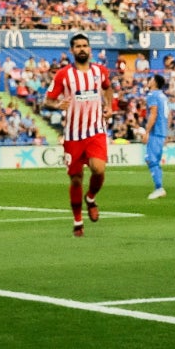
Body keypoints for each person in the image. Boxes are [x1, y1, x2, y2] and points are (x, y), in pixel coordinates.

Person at [44, 33, 113, 236]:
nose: (82, 49)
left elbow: (108, 88)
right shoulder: (63, 75)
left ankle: (90, 198)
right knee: (75, 179)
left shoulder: (100, 71)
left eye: (85, 45)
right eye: (78, 46)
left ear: (90, 49)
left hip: (96, 131)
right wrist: (57, 104)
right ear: (72, 51)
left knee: (98, 169)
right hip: (73, 135)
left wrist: (108, 106)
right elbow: (47, 100)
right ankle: (77, 220)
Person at [144, 73, 170, 198]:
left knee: (151, 159)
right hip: (162, 131)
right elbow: (168, 116)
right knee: (155, 160)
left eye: (151, 79)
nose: (149, 80)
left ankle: (159, 188)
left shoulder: (152, 95)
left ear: (154, 83)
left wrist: (147, 131)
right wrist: (166, 132)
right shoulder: (163, 96)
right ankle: (159, 186)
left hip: (155, 131)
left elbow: (153, 114)